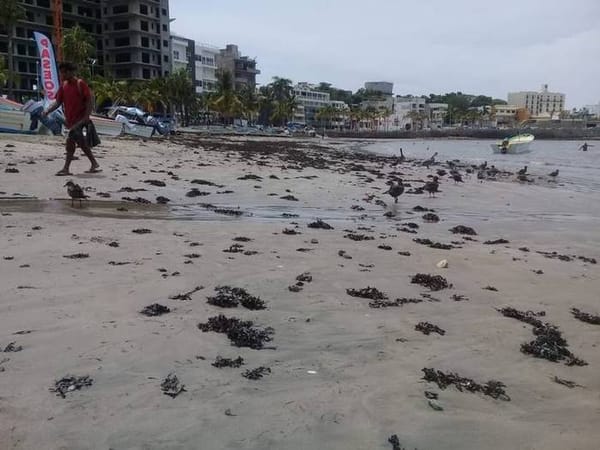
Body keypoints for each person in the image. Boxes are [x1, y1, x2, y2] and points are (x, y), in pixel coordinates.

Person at [42, 62, 101, 176]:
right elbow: (58, 102)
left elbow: (89, 101)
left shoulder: (80, 84)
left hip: (80, 120)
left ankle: (66, 168)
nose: (62, 75)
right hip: (71, 120)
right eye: (61, 72)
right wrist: (47, 110)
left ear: (71, 72)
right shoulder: (64, 86)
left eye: (64, 72)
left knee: (70, 141)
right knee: (81, 142)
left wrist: (86, 117)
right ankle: (94, 163)